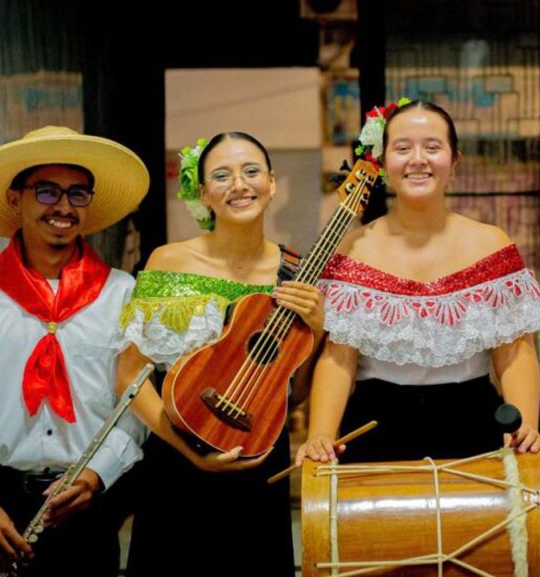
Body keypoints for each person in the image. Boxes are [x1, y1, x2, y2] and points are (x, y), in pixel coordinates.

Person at [0, 126, 150, 576]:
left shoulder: (122, 293)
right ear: (14, 199)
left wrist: (98, 473)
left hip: (86, 506)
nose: (63, 206)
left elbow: (137, 402)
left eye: (77, 194)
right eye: (46, 191)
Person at [114, 131, 324, 575]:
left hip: (258, 461)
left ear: (271, 183)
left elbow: (295, 396)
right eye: (222, 176)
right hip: (176, 459)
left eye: (251, 172)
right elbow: (128, 376)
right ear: (204, 193)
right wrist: (188, 452)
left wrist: (318, 329)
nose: (239, 184)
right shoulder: (168, 261)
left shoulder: (297, 270)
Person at [298, 99, 540, 466]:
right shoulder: (354, 247)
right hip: (371, 427)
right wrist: (321, 433)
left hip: (473, 421)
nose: (418, 159)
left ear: (454, 161)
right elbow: (339, 357)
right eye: (402, 148)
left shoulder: (491, 243)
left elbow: (514, 352)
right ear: (382, 162)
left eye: (432, 147)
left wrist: (526, 423)